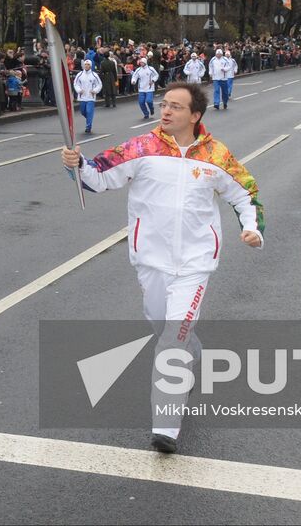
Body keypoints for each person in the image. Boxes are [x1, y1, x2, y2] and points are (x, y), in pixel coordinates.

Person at [59, 82, 264, 454]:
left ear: (195, 115)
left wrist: (251, 229)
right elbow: (100, 176)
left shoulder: (216, 155)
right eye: (164, 104)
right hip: (150, 260)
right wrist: (78, 166)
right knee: (161, 324)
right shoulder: (142, 147)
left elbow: (246, 192)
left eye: (176, 107)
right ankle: (191, 348)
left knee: (171, 340)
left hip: (195, 264)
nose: (166, 111)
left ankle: (165, 427)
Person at [73, 58, 102, 135]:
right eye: (85, 64)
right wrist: (79, 90)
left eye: (88, 64)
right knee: (83, 112)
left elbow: (99, 84)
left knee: (89, 111)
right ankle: (89, 119)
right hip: (82, 97)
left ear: (90, 66)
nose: (86, 66)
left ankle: (88, 127)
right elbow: (75, 83)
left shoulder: (94, 75)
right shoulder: (80, 74)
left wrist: (95, 91)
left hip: (90, 97)